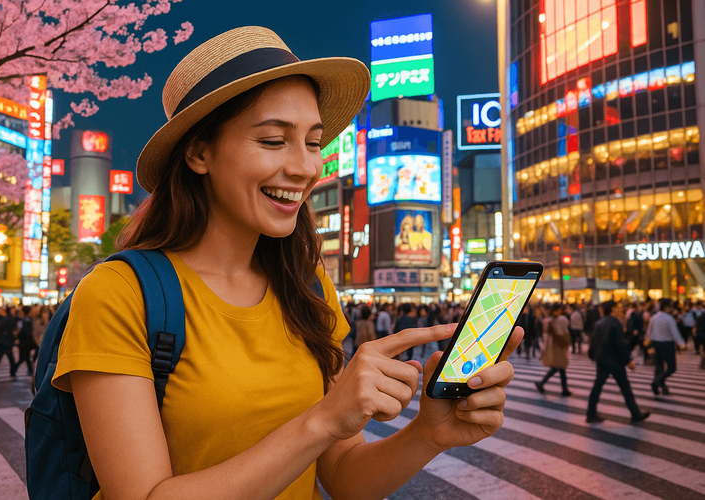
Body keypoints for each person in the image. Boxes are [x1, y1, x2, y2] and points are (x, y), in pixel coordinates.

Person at [50, 27, 523, 500]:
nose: (304, 168)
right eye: (275, 141)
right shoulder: (118, 293)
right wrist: (322, 420)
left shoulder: (309, 286)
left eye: (313, 142)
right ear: (198, 152)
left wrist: (428, 434)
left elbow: (344, 478)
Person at [586, 301, 650, 424]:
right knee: (625, 387)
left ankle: (590, 413)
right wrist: (628, 360)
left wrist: (593, 356)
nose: (620, 310)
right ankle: (635, 413)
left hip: (602, 360)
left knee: (597, 387)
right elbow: (619, 344)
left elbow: (594, 341)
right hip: (614, 361)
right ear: (613, 309)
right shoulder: (615, 323)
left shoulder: (599, 323)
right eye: (618, 307)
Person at [646, 298, 686, 395]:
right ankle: (656, 382)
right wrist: (681, 343)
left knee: (659, 367)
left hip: (656, 344)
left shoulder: (653, 317)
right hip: (667, 345)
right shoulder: (669, 318)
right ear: (667, 307)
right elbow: (675, 333)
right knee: (671, 368)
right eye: (670, 306)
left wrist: (648, 344)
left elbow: (649, 332)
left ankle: (661, 387)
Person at [535, 303, 572, 396]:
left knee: (557, 368)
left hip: (554, 345)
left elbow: (546, 334)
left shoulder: (549, 320)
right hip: (560, 345)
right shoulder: (562, 319)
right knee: (560, 367)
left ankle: (543, 383)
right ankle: (564, 390)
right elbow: (566, 332)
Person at [0, 305, 17, 377]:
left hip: (2, 341)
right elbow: (11, 331)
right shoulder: (9, 318)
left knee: (0, 357)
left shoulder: (4, 318)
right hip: (6, 342)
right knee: (10, 358)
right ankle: (12, 372)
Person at [14, 305, 37, 376]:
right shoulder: (27, 320)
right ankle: (13, 370)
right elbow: (26, 332)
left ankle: (30, 370)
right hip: (25, 342)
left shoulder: (25, 319)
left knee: (25, 358)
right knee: (24, 358)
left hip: (25, 342)